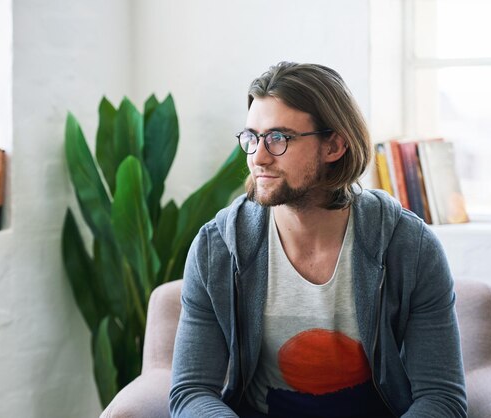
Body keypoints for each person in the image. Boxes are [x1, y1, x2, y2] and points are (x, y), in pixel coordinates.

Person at [169, 62, 467, 417]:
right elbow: (191, 391)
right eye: (251, 137)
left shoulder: (410, 247)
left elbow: (441, 398)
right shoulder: (216, 248)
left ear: (334, 146)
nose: (258, 157)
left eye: (279, 138)